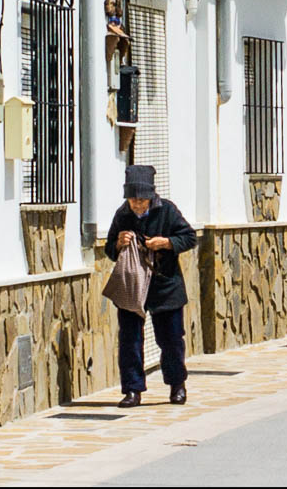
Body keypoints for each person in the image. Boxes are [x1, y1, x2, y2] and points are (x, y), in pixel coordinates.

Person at [105, 165, 197, 408]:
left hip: (165, 285)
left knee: (171, 339)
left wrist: (166, 243)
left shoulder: (167, 210)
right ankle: (132, 390)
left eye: (141, 200)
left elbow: (190, 237)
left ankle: (177, 385)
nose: (137, 205)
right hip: (132, 285)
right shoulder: (122, 214)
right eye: (133, 200)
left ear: (151, 196)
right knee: (130, 339)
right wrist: (118, 244)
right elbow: (109, 249)